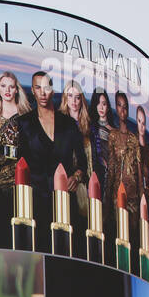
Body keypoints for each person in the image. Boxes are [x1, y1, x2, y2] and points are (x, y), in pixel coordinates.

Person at [16, 72, 84, 252]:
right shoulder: (23, 123)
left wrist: (76, 177)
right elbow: (19, 163)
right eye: (38, 87)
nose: (43, 92)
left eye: (46, 87)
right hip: (35, 200)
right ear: (32, 91)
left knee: (67, 251)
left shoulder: (69, 124)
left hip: (64, 197)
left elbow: (82, 162)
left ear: (52, 90)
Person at [0, 71, 33, 241]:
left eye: (11, 87)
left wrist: (6, 151)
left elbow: (29, 149)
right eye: (3, 86)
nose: (7, 90)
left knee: (17, 219)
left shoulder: (26, 114)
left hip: (16, 174)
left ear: (16, 90)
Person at [103, 92, 143, 259]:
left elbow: (139, 168)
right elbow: (111, 167)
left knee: (134, 234)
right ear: (116, 109)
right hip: (117, 192)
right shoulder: (113, 136)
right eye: (119, 105)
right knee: (119, 231)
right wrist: (107, 196)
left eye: (125, 106)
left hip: (133, 193)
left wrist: (142, 196)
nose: (123, 109)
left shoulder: (134, 139)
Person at [59, 81, 94, 224]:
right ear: (65, 99)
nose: (74, 101)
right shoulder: (59, 124)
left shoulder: (89, 127)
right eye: (70, 96)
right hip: (66, 184)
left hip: (88, 185)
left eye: (77, 97)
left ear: (82, 100)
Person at [88, 89, 113, 201]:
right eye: (98, 103)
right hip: (97, 172)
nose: (101, 107)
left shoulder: (114, 131)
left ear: (108, 106)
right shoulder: (91, 128)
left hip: (112, 174)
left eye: (104, 103)